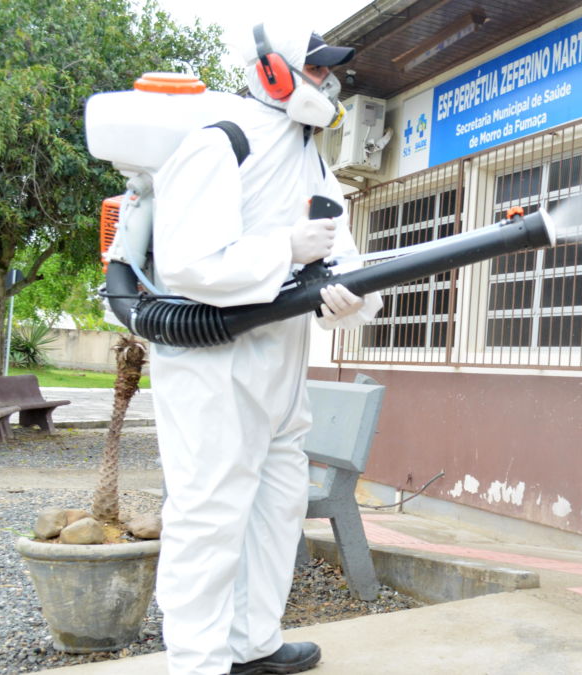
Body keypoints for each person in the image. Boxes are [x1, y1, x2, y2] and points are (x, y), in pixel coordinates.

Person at [148, 20, 381, 675]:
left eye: (330, 73)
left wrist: (353, 298)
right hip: (213, 366)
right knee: (210, 516)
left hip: (282, 364)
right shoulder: (223, 140)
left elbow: (347, 257)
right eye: (315, 70)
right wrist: (284, 249)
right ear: (273, 70)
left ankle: (253, 643)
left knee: (275, 508)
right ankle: (196, 661)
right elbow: (187, 263)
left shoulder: (312, 158)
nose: (327, 83)